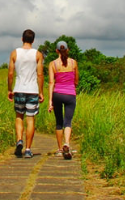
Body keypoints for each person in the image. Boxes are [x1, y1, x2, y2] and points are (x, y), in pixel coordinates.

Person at [7, 29, 44, 158]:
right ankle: (28, 149)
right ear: (33, 40)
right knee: (30, 119)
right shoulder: (38, 54)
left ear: (22, 39)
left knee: (19, 117)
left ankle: (19, 140)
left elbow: (11, 73)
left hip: (19, 89)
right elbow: (40, 74)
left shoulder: (15, 53)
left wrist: (9, 89)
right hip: (32, 90)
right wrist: (41, 92)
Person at [47, 40, 78, 159]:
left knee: (59, 122)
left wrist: (50, 101)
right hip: (70, 94)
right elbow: (76, 80)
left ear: (56, 51)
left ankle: (60, 149)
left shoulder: (53, 64)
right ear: (68, 50)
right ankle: (67, 144)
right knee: (68, 121)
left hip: (57, 94)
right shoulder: (73, 63)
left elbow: (51, 82)